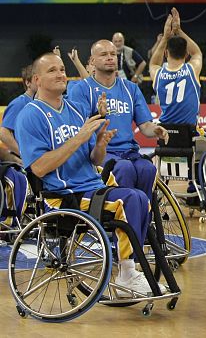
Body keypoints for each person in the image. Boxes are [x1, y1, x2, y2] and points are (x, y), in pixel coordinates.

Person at [15, 52, 159, 295]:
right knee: (131, 200)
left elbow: (95, 159)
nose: (61, 74)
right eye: (52, 70)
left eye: (62, 69)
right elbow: (38, 168)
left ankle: (129, 270)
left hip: (91, 188)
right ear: (37, 80)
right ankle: (127, 275)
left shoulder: (74, 109)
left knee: (142, 199)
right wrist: (80, 136)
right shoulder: (29, 116)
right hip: (62, 196)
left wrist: (100, 143)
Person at [68, 39, 169, 195]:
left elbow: (145, 126)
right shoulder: (81, 89)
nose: (110, 57)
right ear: (93, 61)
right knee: (124, 168)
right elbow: (77, 129)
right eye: (104, 54)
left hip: (129, 152)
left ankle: (144, 216)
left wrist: (155, 130)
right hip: (98, 153)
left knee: (148, 169)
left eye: (113, 54)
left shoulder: (131, 88)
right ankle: (124, 214)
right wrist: (98, 115)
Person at [149, 8, 202, 125]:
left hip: (166, 132)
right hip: (188, 132)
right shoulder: (191, 70)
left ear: (166, 53)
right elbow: (197, 53)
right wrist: (179, 30)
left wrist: (165, 37)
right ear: (186, 53)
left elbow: (153, 64)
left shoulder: (159, 74)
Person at [0, 65, 36, 163]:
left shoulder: (42, 103)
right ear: (28, 83)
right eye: (36, 78)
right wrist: (24, 154)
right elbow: (3, 133)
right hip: (30, 162)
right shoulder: (20, 103)